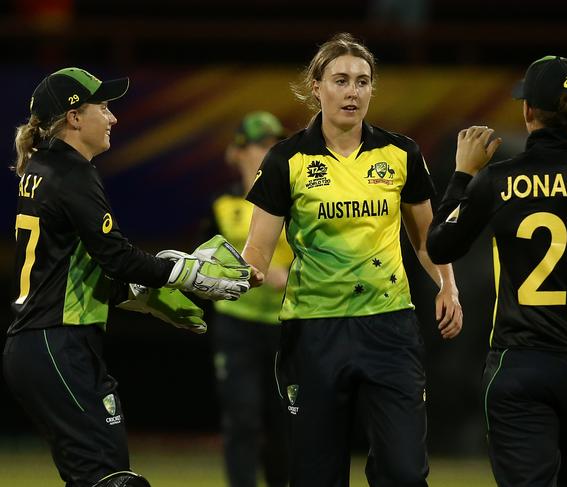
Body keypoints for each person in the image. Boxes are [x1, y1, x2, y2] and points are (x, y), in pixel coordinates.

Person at [3, 67, 251, 487]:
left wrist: (145, 294)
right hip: (56, 342)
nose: (113, 117)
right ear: (75, 118)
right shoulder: (71, 172)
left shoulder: (45, 166)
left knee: (99, 478)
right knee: (115, 481)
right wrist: (183, 273)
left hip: (46, 344)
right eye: (103, 106)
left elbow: (82, 266)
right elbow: (117, 257)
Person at [241, 33, 463, 487]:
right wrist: (237, 275)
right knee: (315, 477)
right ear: (316, 86)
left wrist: (449, 287)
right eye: (340, 80)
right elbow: (257, 251)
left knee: (404, 472)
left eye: (363, 82)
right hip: (314, 332)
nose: (353, 91)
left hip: (389, 329)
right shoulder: (286, 159)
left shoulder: (401, 153)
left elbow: (427, 242)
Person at [427, 55, 567, 487]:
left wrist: (461, 174)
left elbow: (440, 243)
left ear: (528, 111)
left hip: (522, 363)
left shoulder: (499, 180)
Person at [208, 111, 291, 487]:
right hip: (236, 326)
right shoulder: (221, 206)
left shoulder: (296, 204)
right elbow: (202, 262)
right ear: (238, 152)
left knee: (285, 423)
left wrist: (292, 277)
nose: (270, 152)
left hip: (285, 326)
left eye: (276, 144)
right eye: (262, 144)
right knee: (242, 418)